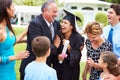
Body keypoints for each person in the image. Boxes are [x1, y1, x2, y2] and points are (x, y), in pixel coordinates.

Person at [19, 1, 60, 80]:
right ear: (45, 10)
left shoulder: (56, 24)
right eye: (54, 12)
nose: (56, 14)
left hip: (46, 66)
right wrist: (55, 46)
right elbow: (39, 45)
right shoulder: (35, 23)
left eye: (57, 12)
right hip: (32, 66)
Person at [0, 0, 29, 80]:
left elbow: (9, 42)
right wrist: (14, 57)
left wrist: (25, 35)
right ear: (7, 9)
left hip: (11, 73)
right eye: (13, 6)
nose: (14, 9)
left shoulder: (6, 27)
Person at [53, 9, 85, 80]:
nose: (62, 24)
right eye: (62, 22)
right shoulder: (58, 35)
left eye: (65, 23)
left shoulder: (78, 38)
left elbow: (77, 57)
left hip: (71, 72)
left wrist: (69, 48)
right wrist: (57, 56)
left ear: (71, 26)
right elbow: (54, 51)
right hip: (58, 69)